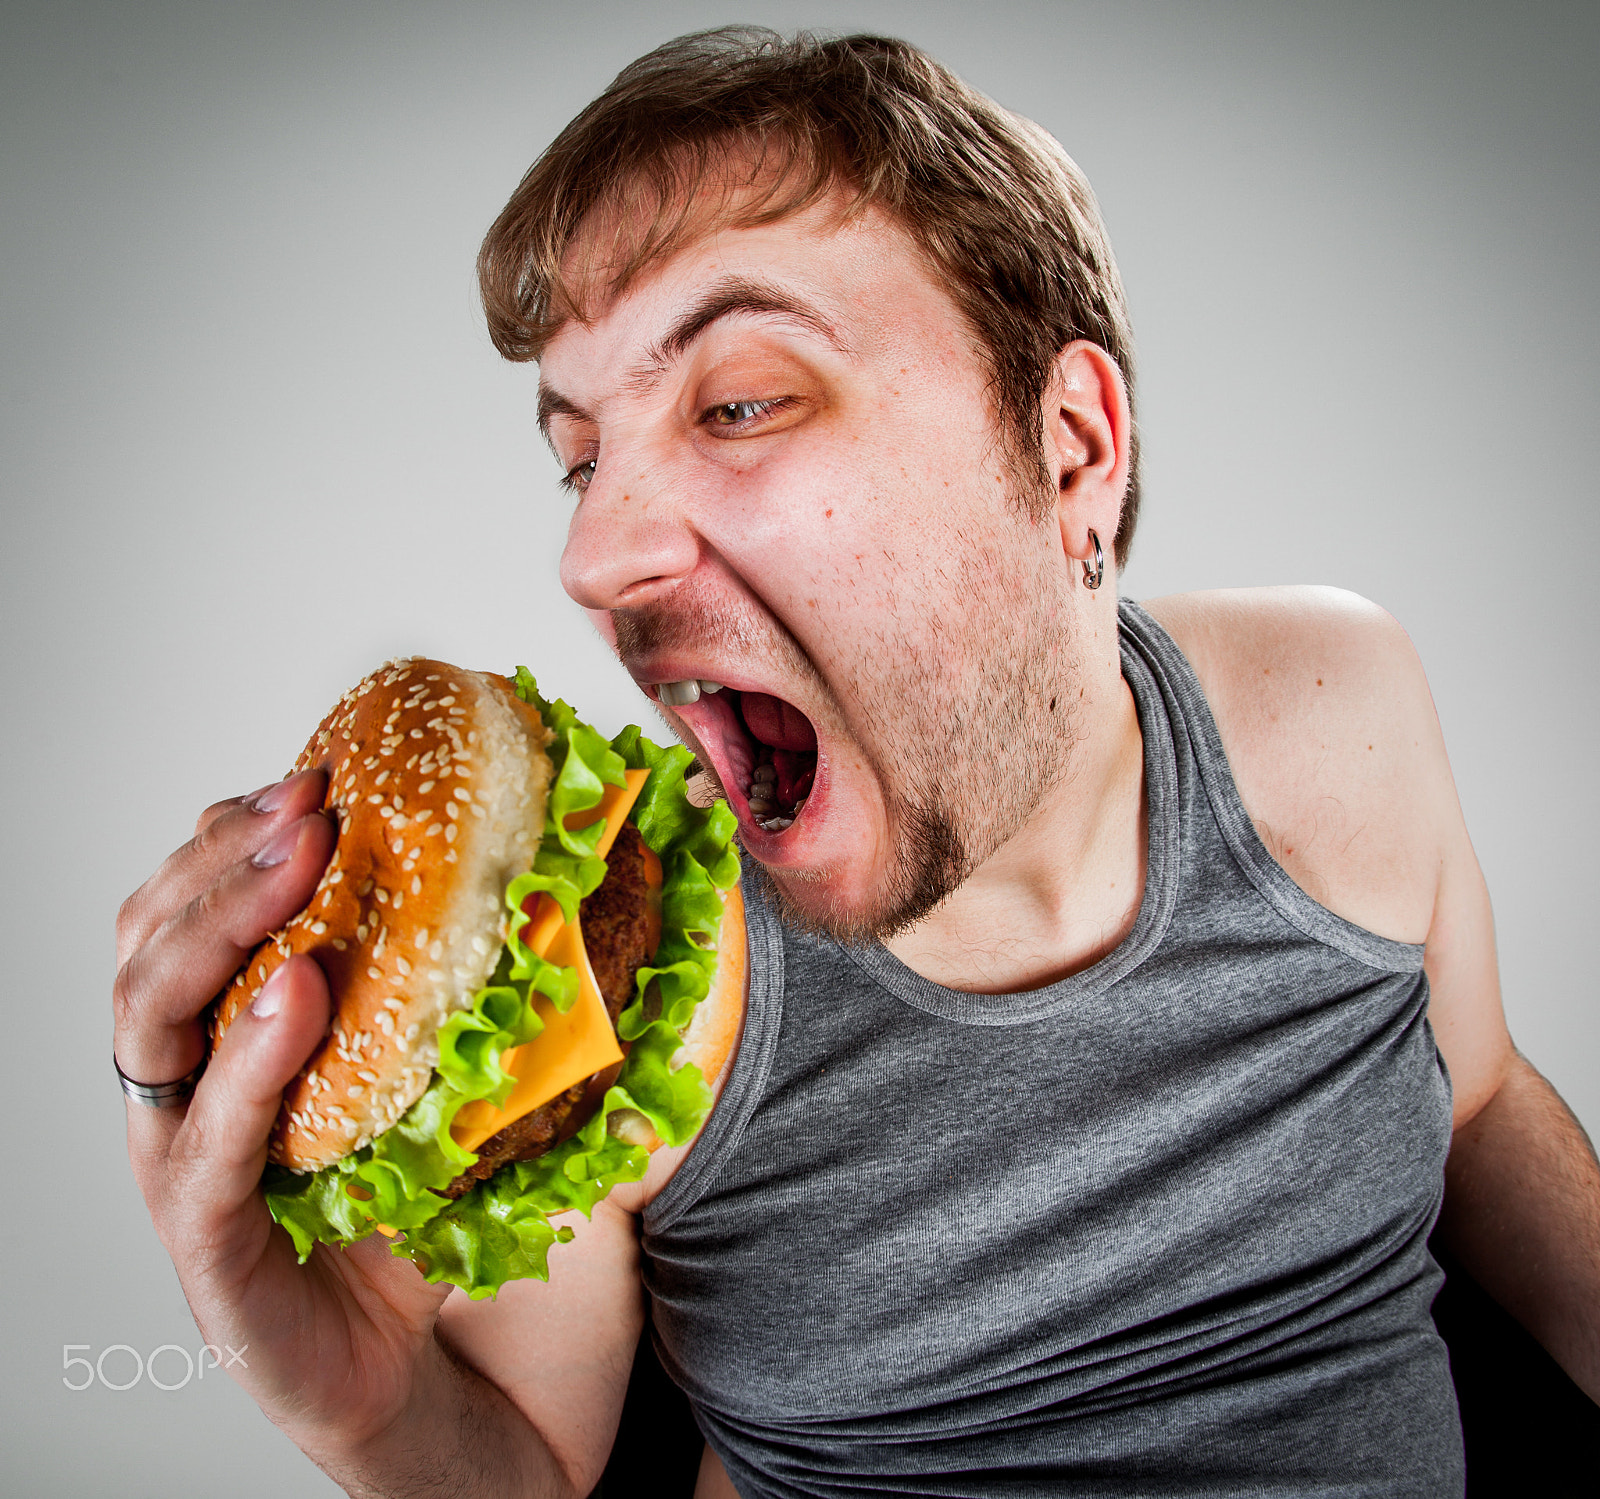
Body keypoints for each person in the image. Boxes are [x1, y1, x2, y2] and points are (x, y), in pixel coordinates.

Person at [112, 28, 1600, 1499]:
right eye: (583, 459)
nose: (595, 556)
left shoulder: (1331, 708)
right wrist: (364, 1420)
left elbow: (1471, 1107)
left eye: (741, 401)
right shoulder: (619, 987)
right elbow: (528, 1470)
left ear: (1073, 445)